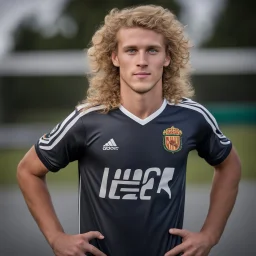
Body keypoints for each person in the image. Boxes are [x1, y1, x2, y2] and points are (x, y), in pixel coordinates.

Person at [17, 5, 241, 256]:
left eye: (152, 50)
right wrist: (56, 237)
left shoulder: (192, 117)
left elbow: (230, 165)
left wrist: (210, 234)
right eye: (131, 50)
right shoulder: (87, 120)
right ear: (114, 57)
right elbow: (28, 170)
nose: (142, 61)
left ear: (167, 57)